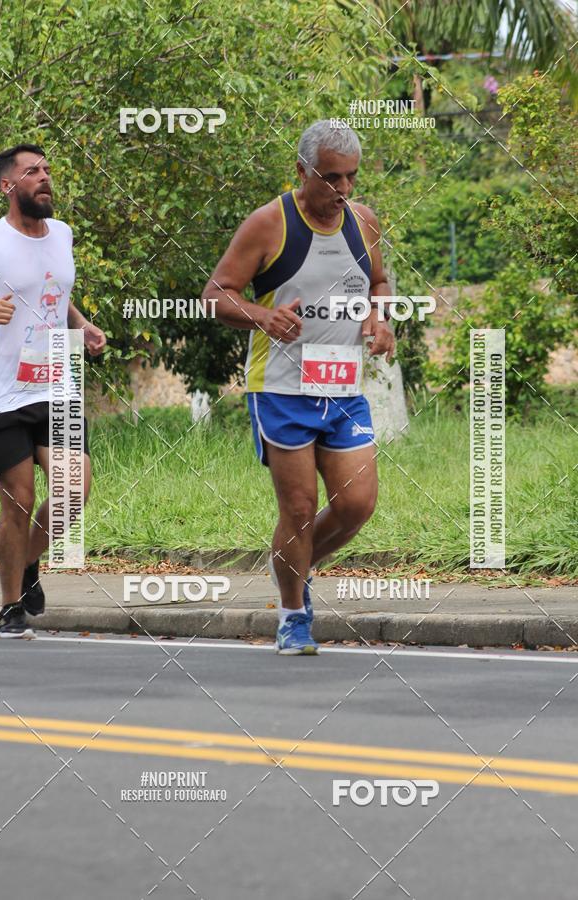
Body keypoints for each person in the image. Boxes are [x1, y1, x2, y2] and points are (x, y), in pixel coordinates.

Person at [203, 120, 394, 655]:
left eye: (351, 178)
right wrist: (262, 316)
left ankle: (290, 563)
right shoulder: (269, 224)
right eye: (331, 178)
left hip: (344, 389)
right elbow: (216, 295)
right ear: (302, 171)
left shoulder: (363, 223)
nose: (344, 191)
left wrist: (381, 319)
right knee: (300, 509)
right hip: (282, 389)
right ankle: (293, 614)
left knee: (357, 504)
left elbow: (378, 281)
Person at [0, 144, 106, 637]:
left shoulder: (63, 235)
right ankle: (11, 605)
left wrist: (83, 323)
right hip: (3, 392)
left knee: (75, 489)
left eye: (47, 170)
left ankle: (27, 565)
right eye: (32, 172)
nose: (45, 178)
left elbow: (55, 296)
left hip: (56, 383)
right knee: (20, 499)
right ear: (8, 186)